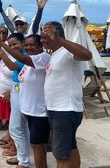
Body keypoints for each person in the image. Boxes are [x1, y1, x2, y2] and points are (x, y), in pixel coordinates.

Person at [42, 21, 92, 168]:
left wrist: (59, 40)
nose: (43, 40)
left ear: (56, 35)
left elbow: (87, 55)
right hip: (58, 110)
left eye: (46, 36)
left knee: (61, 155)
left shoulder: (67, 51)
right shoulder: (55, 54)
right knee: (70, 147)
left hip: (64, 110)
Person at [0, 33, 51, 168]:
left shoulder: (39, 58)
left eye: (31, 45)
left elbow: (13, 66)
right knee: (24, 131)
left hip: (37, 108)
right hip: (24, 99)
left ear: (41, 45)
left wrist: (2, 46)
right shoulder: (30, 58)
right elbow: (22, 79)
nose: (28, 47)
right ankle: (23, 159)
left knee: (18, 129)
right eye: (27, 45)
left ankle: (23, 161)